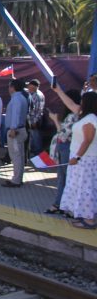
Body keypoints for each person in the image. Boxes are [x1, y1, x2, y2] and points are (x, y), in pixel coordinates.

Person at [59, 92, 97, 229]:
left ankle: (89, 220)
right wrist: (57, 90)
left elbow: (88, 140)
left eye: (82, 101)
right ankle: (85, 216)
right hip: (82, 159)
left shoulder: (89, 119)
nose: (80, 103)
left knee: (86, 189)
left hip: (84, 160)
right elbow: (69, 104)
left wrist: (77, 157)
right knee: (83, 188)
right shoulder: (87, 117)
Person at [47, 85, 81, 214]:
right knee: (63, 178)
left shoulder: (74, 116)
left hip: (66, 148)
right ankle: (60, 204)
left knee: (66, 178)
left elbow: (63, 133)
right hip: (65, 148)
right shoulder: (74, 115)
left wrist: (55, 120)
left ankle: (64, 206)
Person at [4, 78, 29, 188]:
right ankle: (18, 178)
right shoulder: (21, 98)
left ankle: (16, 180)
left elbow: (16, 114)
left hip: (16, 130)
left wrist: (13, 128)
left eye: (9, 86)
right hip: (20, 129)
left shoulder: (16, 99)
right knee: (19, 155)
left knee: (16, 156)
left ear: (13, 87)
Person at [26, 79, 46, 156]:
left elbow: (38, 110)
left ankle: (38, 154)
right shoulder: (34, 93)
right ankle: (34, 152)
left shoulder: (37, 95)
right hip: (33, 119)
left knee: (36, 137)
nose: (28, 87)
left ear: (33, 86)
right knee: (33, 136)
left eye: (29, 86)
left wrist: (34, 121)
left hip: (35, 120)